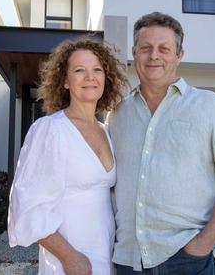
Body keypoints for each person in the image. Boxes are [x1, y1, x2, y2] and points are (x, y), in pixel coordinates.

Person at [108, 12, 215, 275]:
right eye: (146, 48)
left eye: (164, 48)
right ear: (134, 52)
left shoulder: (209, 106)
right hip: (127, 259)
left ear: (179, 55)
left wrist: (204, 244)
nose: (154, 55)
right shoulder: (118, 114)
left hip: (187, 259)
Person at [8, 38, 128, 275]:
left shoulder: (105, 130)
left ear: (107, 77)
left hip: (105, 256)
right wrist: (70, 257)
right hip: (69, 261)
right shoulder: (50, 129)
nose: (90, 77)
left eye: (97, 70)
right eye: (79, 70)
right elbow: (26, 205)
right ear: (64, 80)